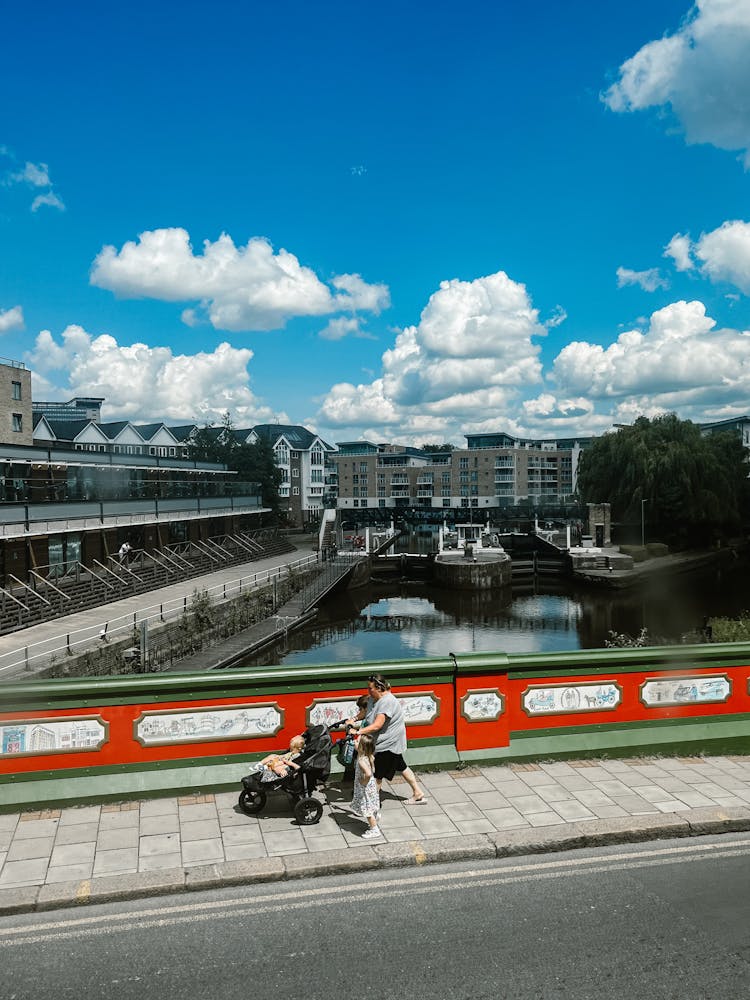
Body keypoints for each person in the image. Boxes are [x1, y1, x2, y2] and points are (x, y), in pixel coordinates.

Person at [356, 672, 426, 804]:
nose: (368, 691)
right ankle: (418, 793)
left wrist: (359, 731)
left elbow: (377, 725)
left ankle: (371, 804)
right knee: (402, 766)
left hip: (388, 743)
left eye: (370, 688)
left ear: (379, 688)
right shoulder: (373, 698)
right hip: (384, 741)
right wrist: (353, 719)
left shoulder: (387, 702)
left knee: (377, 775)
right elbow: (365, 712)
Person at [351, 733, 381, 839]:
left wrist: (363, 782)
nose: (355, 741)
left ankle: (374, 830)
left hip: (365, 787)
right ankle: (376, 816)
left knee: (366, 809)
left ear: (362, 747)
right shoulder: (368, 756)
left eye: (357, 741)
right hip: (371, 786)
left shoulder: (361, 761)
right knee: (371, 803)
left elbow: (368, 773)